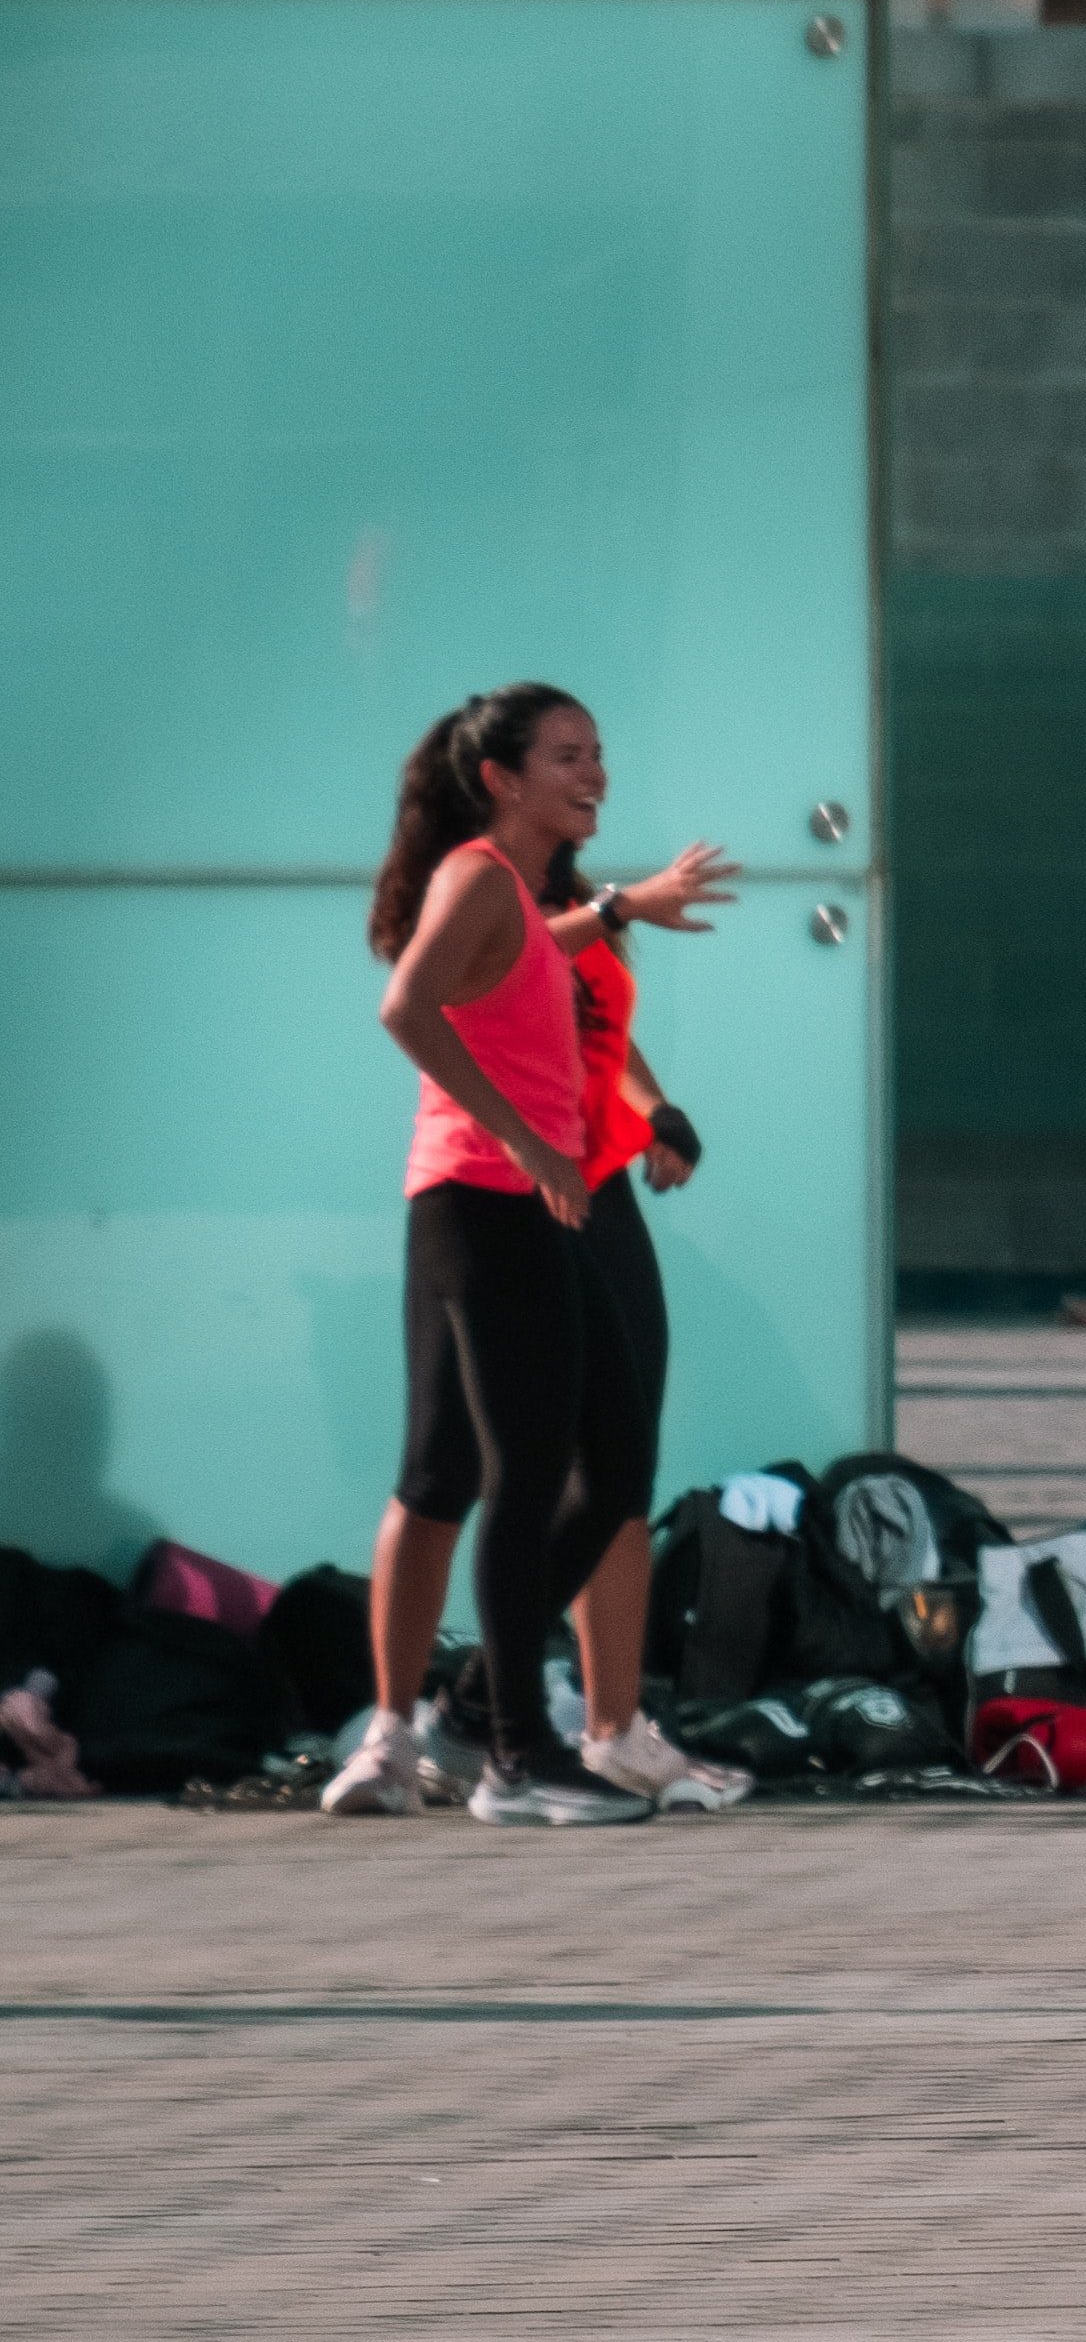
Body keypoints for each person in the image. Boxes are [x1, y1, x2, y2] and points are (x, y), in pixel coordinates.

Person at [333, 691, 661, 1829]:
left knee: (613, 1458)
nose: (596, 775)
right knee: (518, 1473)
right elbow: (404, 1007)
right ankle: (519, 1756)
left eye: (599, 753)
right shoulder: (475, 874)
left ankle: (483, 1704)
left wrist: (626, 904)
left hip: (526, 1206)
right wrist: (527, 1139)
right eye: (568, 757)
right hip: (482, 1200)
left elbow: (534, 954)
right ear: (502, 780)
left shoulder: (522, 895)